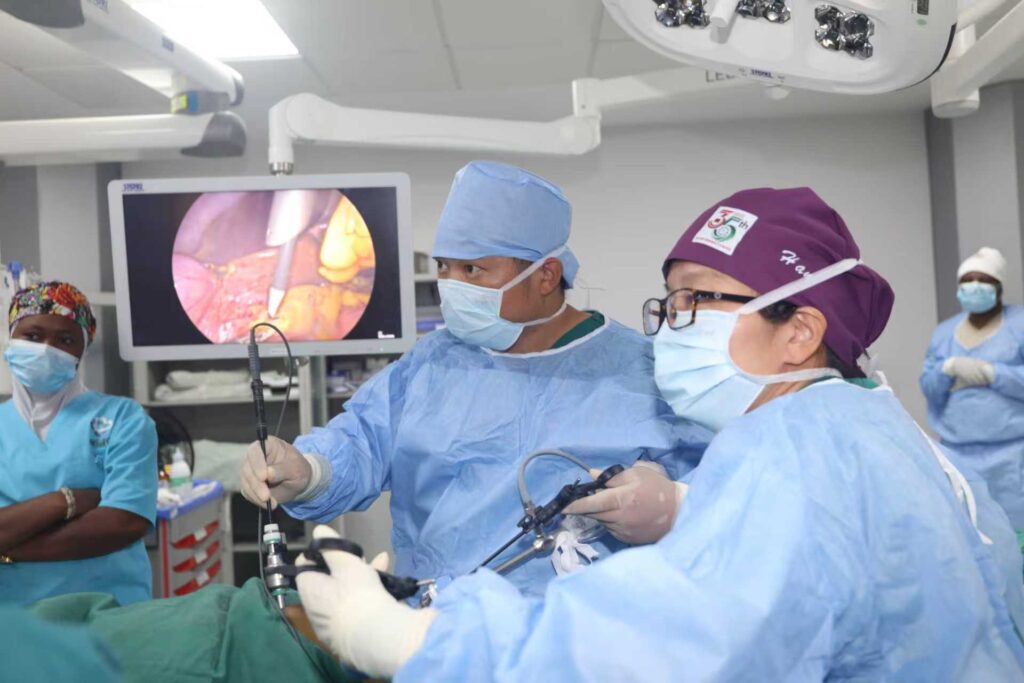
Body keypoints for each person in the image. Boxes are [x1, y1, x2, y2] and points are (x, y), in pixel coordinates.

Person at [293, 188, 1024, 680]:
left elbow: (662, 647)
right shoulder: (863, 423)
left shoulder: (796, 455)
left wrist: (409, 639)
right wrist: (690, 506)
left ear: (800, 331)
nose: (671, 325)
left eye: (696, 299)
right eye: (669, 301)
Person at [241, 161, 709, 597]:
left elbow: (722, 494)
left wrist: (677, 505)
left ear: (546, 276)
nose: (452, 285)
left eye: (472, 269)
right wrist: (306, 472)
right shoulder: (431, 364)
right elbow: (360, 443)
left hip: (575, 637)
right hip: (431, 627)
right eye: (444, 267)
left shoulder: (642, 373)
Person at [0, 281, 157, 605]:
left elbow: (123, 522)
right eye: (32, 336)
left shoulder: (123, 419)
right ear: (11, 339)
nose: (46, 349)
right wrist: (65, 501)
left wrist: (11, 548)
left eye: (65, 340)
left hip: (108, 612)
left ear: (81, 352)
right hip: (14, 615)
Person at [921, 247, 1024, 530]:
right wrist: (947, 370)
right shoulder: (944, 333)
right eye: (967, 280)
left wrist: (992, 373)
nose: (974, 286)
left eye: (983, 280)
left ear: (999, 287)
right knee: (971, 528)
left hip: (1013, 456)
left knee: (1015, 531)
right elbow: (929, 389)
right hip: (956, 452)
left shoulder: (1019, 325)